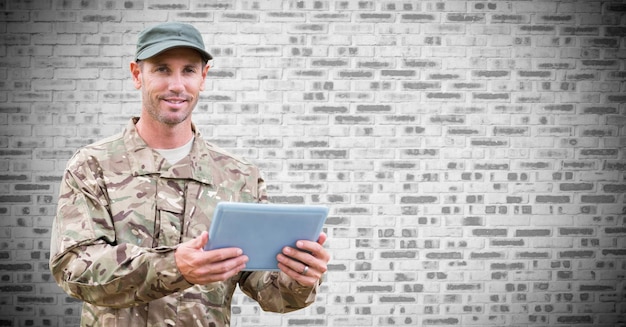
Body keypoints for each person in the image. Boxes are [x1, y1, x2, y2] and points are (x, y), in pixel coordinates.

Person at [49, 22, 330, 327]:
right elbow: (73, 268)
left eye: (188, 71)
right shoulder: (93, 166)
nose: (177, 85)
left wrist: (297, 276)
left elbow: (267, 290)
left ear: (203, 77)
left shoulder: (239, 177)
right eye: (162, 69)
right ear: (136, 74)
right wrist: (174, 266)